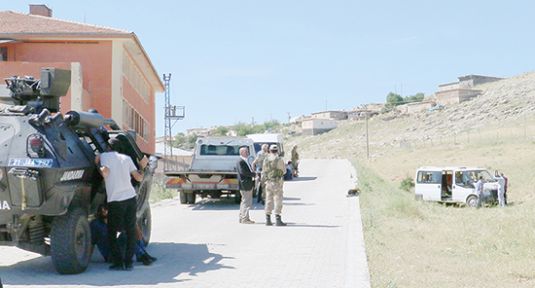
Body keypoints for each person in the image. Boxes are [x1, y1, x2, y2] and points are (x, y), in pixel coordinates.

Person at [95, 138, 148, 271]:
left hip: (115, 200)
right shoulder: (126, 158)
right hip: (130, 198)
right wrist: (142, 167)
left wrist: (98, 165)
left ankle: (118, 263)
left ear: (108, 147)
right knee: (130, 231)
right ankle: (128, 263)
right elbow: (138, 177)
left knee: (111, 233)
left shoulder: (105, 156)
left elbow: (104, 171)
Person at [90, 204, 157, 265]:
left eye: (106, 210)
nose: (104, 211)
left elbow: (138, 235)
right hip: (111, 255)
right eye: (102, 211)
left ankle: (143, 254)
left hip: (120, 250)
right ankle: (142, 255)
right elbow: (91, 242)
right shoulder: (96, 225)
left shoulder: (114, 221)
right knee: (124, 236)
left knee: (130, 232)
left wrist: (134, 224)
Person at [262, 144, 287, 226]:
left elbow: (264, 171)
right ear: (277, 151)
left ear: (270, 150)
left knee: (268, 200)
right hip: (277, 182)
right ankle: (278, 219)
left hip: (268, 182)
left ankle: (268, 219)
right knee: (278, 200)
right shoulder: (279, 159)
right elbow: (284, 171)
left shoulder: (266, 159)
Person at [236, 146, 256, 224]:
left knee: (244, 201)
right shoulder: (240, 161)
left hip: (246, 184)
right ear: (242, 152)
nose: (248, 153)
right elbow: (243, 172)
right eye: (246, 151)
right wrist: (254, 174)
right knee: (246, 202)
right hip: (245, 184)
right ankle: (245, 219)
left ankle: (242, 217)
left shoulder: (244, 160)